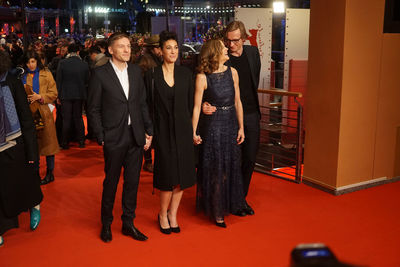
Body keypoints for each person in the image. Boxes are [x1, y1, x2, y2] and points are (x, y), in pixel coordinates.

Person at [88, 32, 153, 243]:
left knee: (132, 182)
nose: (127, 50)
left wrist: (148, 130)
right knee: (111, 182)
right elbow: (93, 108)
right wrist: (101, 136)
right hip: (113, 137)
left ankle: (128, 223)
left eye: (129, 46)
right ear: (110, 50)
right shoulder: (100, 74)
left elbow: (142, 103)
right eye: (122, 46)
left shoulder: (136, 72)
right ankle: (106, 223)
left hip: (135, 135)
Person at [202, 21, 261, 216]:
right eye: (228, 40)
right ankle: (225, 200)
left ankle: (239, 199)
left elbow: (253, 82)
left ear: (244, 39)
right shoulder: (222, 56)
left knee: (249, 159)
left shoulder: (253, 54)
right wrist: (204, 103)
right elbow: (205, 78)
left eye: (235, 41)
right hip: (226, 116)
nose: (231, 45)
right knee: (230, 161)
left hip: (251, 114)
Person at [144, 31, 196, 234]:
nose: (173, 51)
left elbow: (192, 104)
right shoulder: (152, 76)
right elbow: (147, 105)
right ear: (160, 51)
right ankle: (162, 213)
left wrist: (197, 124)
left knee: (182, 175)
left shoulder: (186, 74)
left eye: (176, 47)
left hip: (183, 130)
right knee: (166, 175)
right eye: (168, 48)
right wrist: (148, 131)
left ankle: (173, 214)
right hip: (162, 131)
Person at [192, 39, 246, 227]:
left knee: (229, 167)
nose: (227, 49)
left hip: (231, 123)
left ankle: (226, 204)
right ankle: (217, 211)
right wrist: (194, 131)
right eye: (223, 48)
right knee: (216, 170)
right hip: (213, 126)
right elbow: (197, 107)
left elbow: (238, 101)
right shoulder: (202, 77)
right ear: (215, 52)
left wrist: (241, 127)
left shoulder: (233, 72)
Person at [0, 50, 43, 246]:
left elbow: (26, 118)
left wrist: (32, 151)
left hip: (16, 142)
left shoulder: (12, 81)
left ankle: (34, 205)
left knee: (24, 179)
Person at [22, 50, 59, 185]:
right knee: (33, 145)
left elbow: (54, 93)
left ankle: (50, 173)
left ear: (37, 61)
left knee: (49, 144)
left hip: (44, 112)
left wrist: (40, 96)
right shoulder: (23, 76)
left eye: (33, 61)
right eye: (28, 62)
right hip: (28, 113)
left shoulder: (46, 73)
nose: (30, 65)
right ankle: (34, 173)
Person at [56, 44, 89, 149]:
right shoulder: (84, 64)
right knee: (78, 118)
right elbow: (87, 80)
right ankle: (81, 141)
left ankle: (64, 143)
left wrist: (58, 95)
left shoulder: (62, 63)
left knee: (66, 119)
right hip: (79, 94)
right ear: (78, 52)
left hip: (65, 94)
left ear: (68, 52)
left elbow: (59, 80)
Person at [139, 34, 163, 173]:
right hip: (148, 103)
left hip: (153, 103)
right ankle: (148, 162)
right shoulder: (145, 61)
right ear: (154, 48)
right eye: (159, 47)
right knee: (148, 133)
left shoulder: (154, 59)